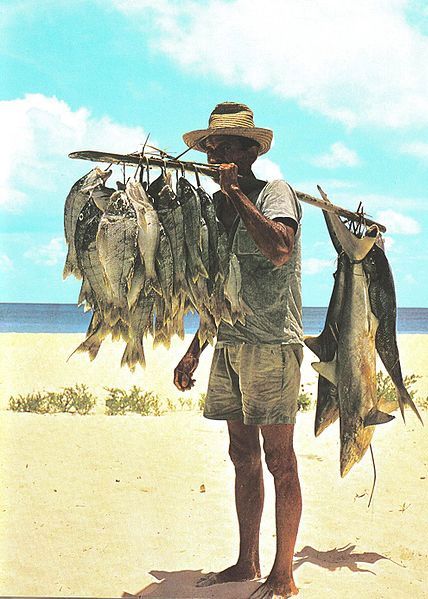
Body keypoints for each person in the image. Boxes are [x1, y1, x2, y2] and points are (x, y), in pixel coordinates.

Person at [174, 102, 304, 599]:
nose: (215, 154)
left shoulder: (275, 193)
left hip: (271, 343)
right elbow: (217, 289)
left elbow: (279, 248)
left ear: (250, 152)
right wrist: (195, 349)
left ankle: (283, 571)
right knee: (241, 454)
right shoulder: (216, 210)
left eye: (226, 146)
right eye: (211, 147)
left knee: (280, 460)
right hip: (229, 343)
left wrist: (235, 195)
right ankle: (246, 560)